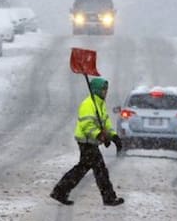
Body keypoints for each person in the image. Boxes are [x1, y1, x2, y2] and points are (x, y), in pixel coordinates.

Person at [50, 77, 124, 206]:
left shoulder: (99, 104)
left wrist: (113, 136)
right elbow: (87, 124)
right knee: (100, 169)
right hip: (86, 141)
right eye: (103, 89)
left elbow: (105, 123)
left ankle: (60, 191)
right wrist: (98, 135)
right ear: (96, 90)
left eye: (106, 89)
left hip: (91, 141)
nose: (106, 92)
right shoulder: (88, 104)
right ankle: (108, 197)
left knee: (83, 168)